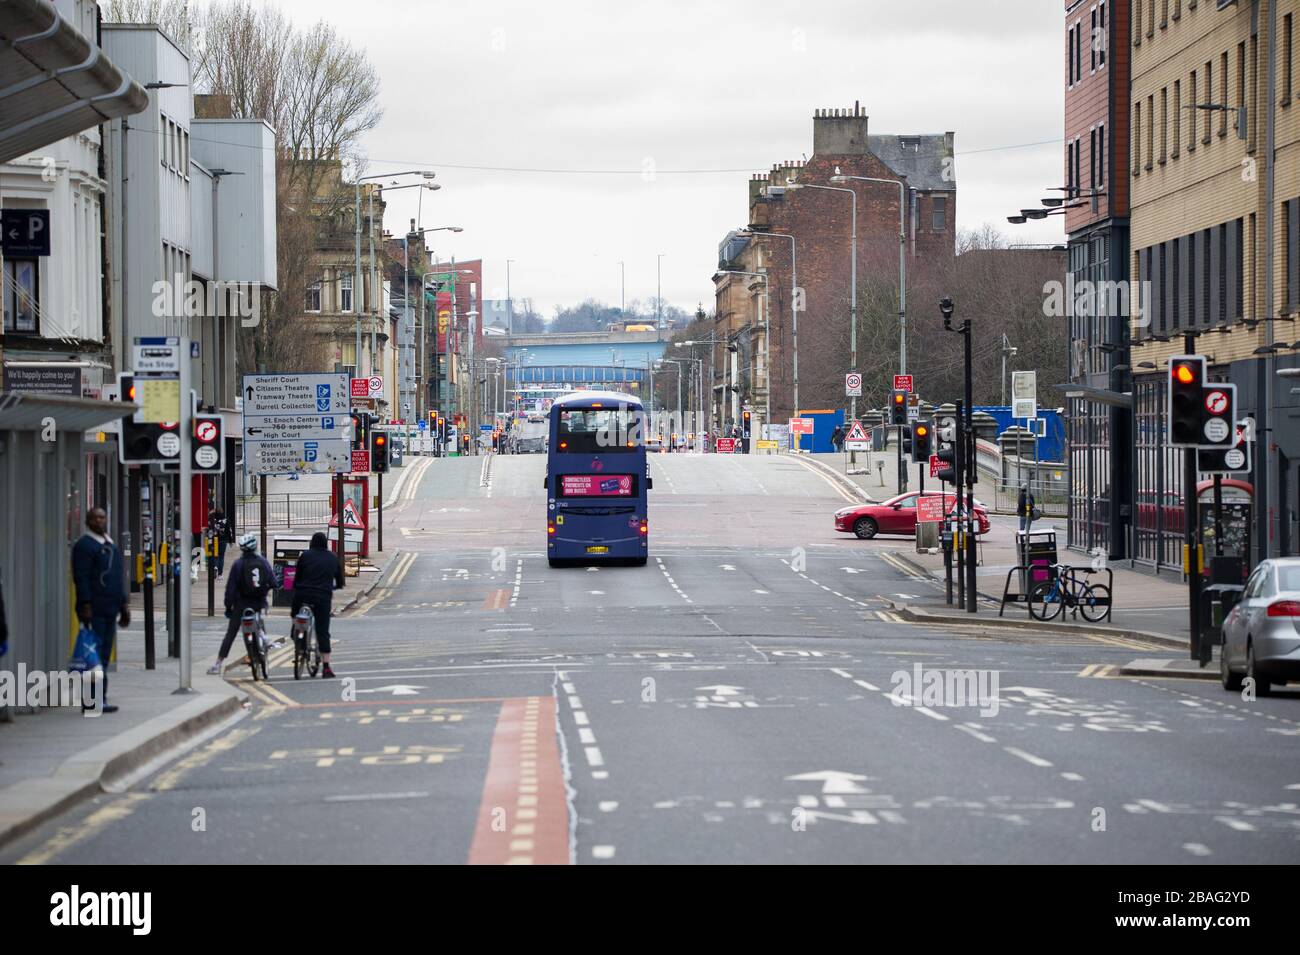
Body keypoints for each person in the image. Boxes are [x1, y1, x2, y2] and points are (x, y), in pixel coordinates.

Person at [71, 508, 129, 713]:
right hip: (93, 609)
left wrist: (123, 605)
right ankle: (91, 700)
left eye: (102, 517)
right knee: (92, 657)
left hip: (110, 608)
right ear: (88, 521)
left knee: (103, 655)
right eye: (95, 517)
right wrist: (85, 604)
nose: (100, 520)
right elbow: (82, 578)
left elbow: (117, 577)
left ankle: (100, 698)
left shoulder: (109, 543)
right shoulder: (84, 546)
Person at [208, 534, 278, 675]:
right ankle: (263, 637)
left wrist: (228, 606)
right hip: (259, 603)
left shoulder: (238, 565)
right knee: (258, 621)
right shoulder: (263, 562)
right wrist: (267, 591)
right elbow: (274, 582)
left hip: (241, 605)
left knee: (230, 634)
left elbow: (230, 589)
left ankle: (218, 664)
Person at [290, 532, 344, 679]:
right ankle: (326, 667)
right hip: (322, 597)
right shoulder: (332, 557)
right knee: (322, 631)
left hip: (302, 594)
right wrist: (335, 586)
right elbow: (340, 581)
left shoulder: (305, 556)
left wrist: (297, 588)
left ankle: (298, 640)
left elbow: (297, 578)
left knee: (295, 617)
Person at [208, 505, 232, 577]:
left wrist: (210, 512)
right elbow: (229, 530)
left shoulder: (212, 519)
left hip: (214, 540)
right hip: (223, 540)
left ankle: (215, 566)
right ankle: (220, 574)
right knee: (221, 556)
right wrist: (230, 541)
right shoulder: (226, 519)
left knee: (215, 555)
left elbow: (208, 525)